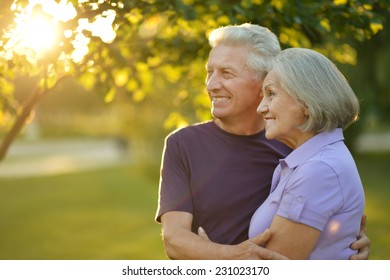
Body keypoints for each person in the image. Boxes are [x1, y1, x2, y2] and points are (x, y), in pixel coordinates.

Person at [155, 23, 370, 259]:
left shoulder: (297, 146)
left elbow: (329, 215)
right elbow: (174, 239)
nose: (211, 85)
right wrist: (230, 257)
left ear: (264, 83)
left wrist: (342, 243)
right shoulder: (183, 144)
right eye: (210, 72)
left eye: (226, 73)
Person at [249, 47, 365, 259]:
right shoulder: (311, 161)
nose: (261, 108)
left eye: (271, 94)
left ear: (307, 102)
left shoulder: (319, 169)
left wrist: (208, 258)